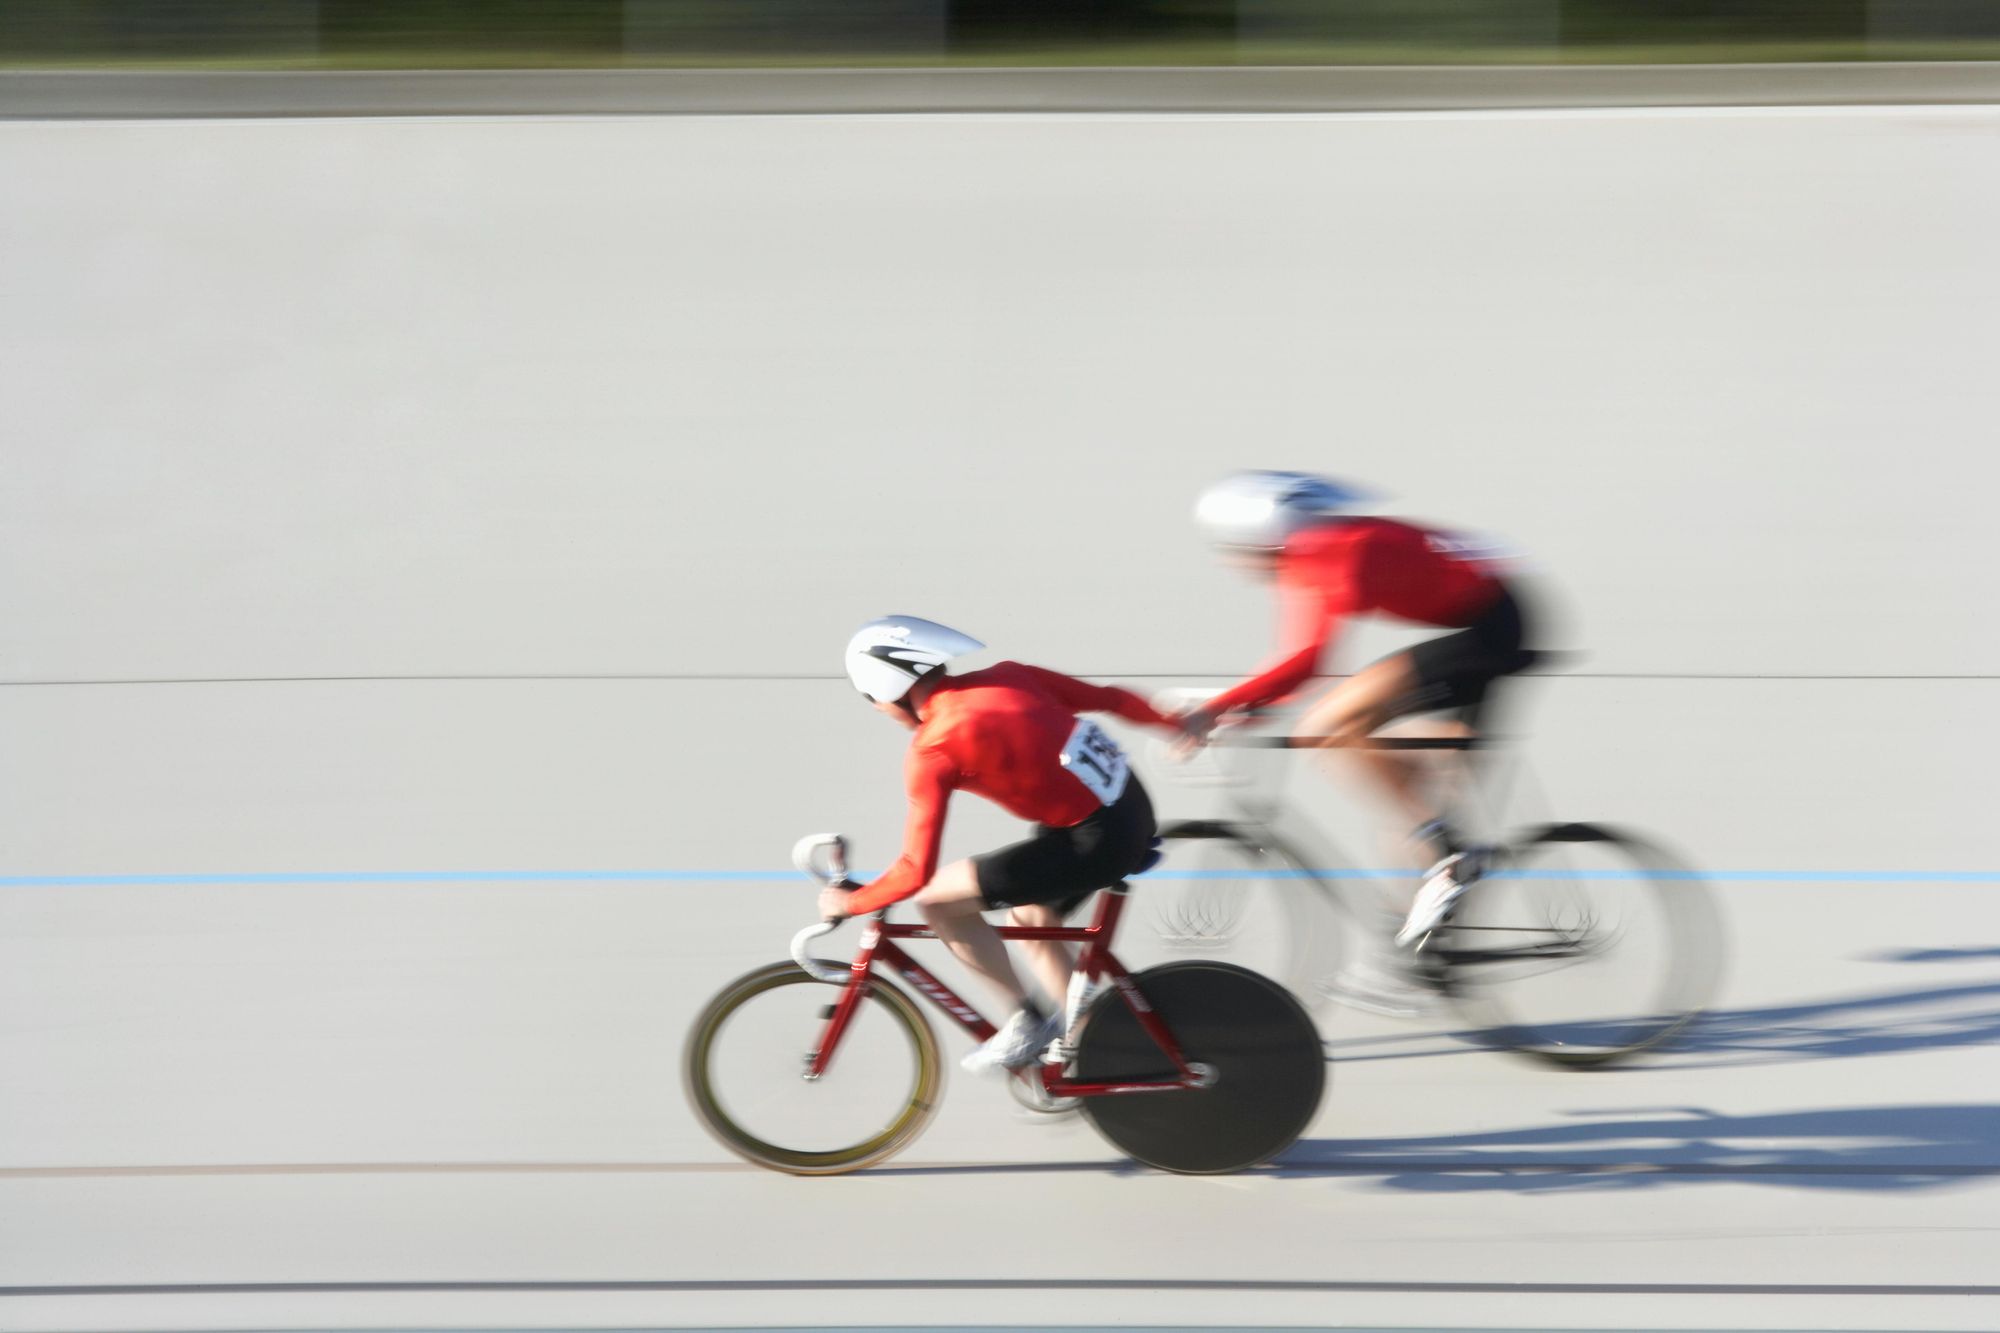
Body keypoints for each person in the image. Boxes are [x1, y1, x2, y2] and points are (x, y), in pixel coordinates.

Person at [1178, 471, 1541, 956]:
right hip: (1490, 619)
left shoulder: (1328, 549)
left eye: (1234, 547)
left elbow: (1309, 660)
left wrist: (1219, 707)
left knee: (1324, 729)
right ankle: (1426, 956)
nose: (1231, 560)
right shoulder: (1313, 551)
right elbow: (1297, 659)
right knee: (1407, 793)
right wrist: (1250, 706)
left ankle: (1450, 851)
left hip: (1491, 629)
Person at [822, 615, 1180, 1072]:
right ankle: (1093, 1043)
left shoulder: (934, 747)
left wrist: (849, 904)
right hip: (1129, 809)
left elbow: (915, 871)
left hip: (1094, 839)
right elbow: (1111, 699)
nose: (875, 708)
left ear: (890, 688)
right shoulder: (1013, 675)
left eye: (870, 697)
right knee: (1032, 918)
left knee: (937, 903)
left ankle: (1026, 1022)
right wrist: (1176, 722)